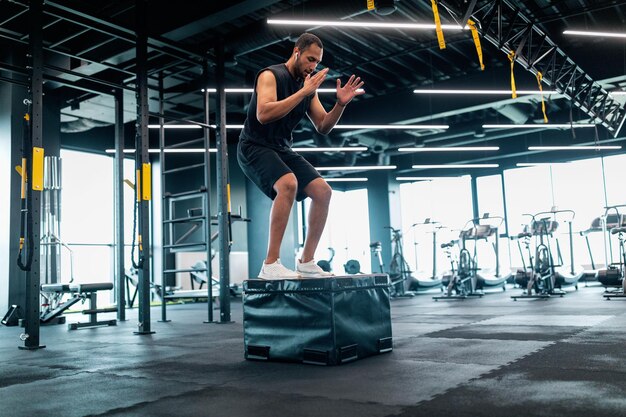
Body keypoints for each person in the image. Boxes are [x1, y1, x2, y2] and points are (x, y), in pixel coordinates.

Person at [237, 32, 364, 279]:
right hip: (253, 145)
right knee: (288, 183)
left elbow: (323, 126)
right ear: (296, 52)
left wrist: (340, 104)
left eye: (317, 62)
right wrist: (303, 94)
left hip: (282, 147)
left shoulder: (308, 88)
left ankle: (306, 261)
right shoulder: (270, 75)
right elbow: (264, 114)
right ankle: (270, 264)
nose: (313, 66)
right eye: (309, 59)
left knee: (323, 191)